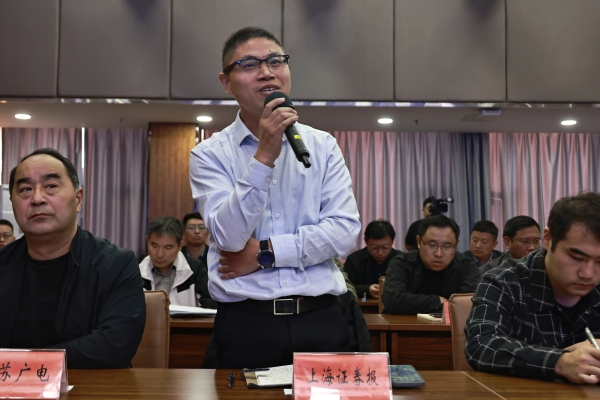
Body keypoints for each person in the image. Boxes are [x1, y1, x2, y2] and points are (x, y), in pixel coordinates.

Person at [189, 27, 361, 368]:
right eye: (250, 64)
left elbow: (345, 233)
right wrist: (264, 156)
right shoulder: (209, 154)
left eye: (276, 61)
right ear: (226, 82)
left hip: (321, 318)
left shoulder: (322, 145)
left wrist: (266, 253)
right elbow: (228, 238)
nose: (267, 72)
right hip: (246, 324)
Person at [0, 148, 145, 368]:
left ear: (78, 200)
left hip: (90, 384)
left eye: (50, 186)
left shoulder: (116, 264)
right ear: (13, 202)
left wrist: (26, 362)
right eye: (26, 189)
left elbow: (115, 345)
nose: (37, 198)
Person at [465, 192, 600, 384]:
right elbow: (481, 345)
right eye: (577, 258)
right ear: (548, 239)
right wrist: (561, 362)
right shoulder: (504, 281)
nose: (588, 273)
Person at [382, 214, 480, 314]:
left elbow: (469, 304)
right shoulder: (401, 263)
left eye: (447, 246)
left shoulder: (467, 267)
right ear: (419, 242)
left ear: (456, 244)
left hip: (448, 325)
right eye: (432, 245)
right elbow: (392, 300)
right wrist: (437, 301)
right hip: (403, 324)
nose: (439, 254)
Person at [139, 215, 215, 308]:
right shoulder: (134, 267)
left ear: (180, 246)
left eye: (168, 247)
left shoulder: (195, 269)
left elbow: (210, 306)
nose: (159, 254)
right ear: (147, 241)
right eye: (155, 246)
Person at [344, 220, 401, 299]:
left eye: (385, 247)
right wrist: (367, 290)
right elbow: (345, 287)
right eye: (375, 248)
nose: (380, 253)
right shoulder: (354, 260)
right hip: (362, 305)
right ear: (366, 241)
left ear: (392, 242)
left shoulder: (401, 260)